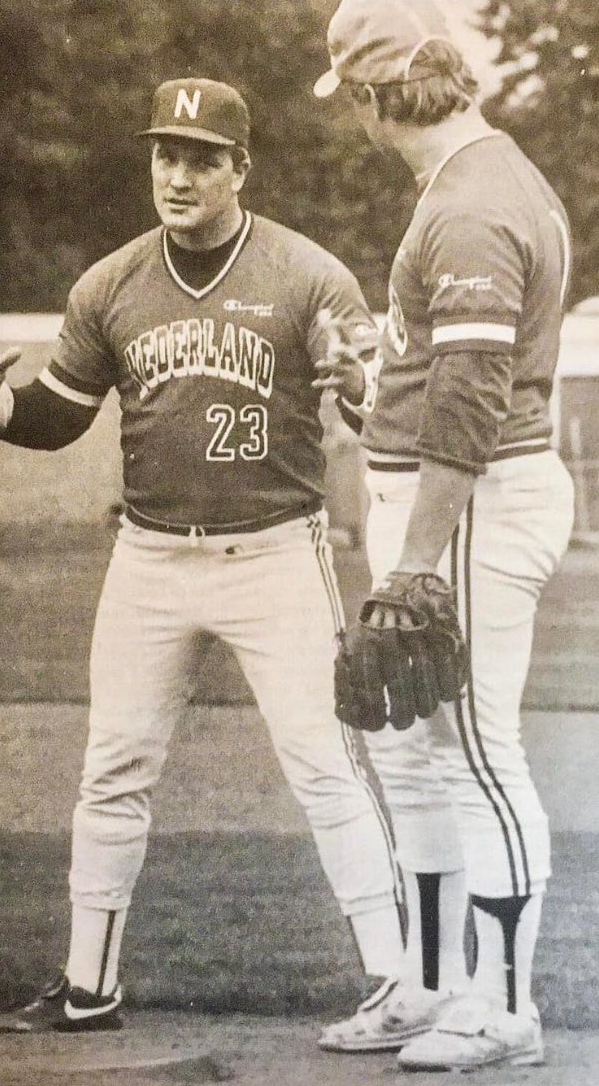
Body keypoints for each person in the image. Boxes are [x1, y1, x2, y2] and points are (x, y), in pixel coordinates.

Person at [0, 77, 405, 1034]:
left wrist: (359, 383)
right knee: (112, 769)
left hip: (276, 553)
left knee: (324, 763)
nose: (179, 174)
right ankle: (89, 987)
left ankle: (398, 982)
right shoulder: (110, 283)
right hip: (148, 559)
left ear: (242, 167)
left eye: (201, 157)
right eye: (165, 154)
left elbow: (372, 409)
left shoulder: (308, 273)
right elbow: (57, 417)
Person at [312, 0, 575, 1071]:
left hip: (467, 504)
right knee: (412, 751)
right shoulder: (474, 183)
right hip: (445, 490)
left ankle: (506, 1009)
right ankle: (430, 986)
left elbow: (471, 398)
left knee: (471, 748)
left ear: (377, 100)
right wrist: (370, 386)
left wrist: (418, 556)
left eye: (356, 102)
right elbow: (442, 375)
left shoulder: (470, 205)